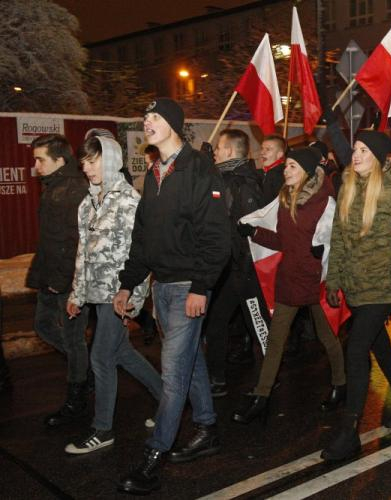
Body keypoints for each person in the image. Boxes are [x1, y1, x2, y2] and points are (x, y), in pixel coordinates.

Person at [114, 98, 230, 495]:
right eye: (144, 117)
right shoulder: (155, 175)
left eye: (155, 117)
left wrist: (201, 286)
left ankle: (155, 454)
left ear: (175, 125)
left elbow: (217, 237)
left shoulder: (199, 170)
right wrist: (129, 283)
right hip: (162, 288)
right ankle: (208, 427)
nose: (147, 122)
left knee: (173, 374)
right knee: (191, 361)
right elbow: (142, 237)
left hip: (187, 287)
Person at [322, 131, 391, 462]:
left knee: (357, 349)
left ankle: (349, 432)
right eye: (356, 150)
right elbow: (337, 238)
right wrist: (333, 279)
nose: (356, 155)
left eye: (364, 150)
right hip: (355, 288)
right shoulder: (347, 188)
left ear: (378, 157)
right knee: (379, 347)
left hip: (383, 287)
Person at [232, 148, 346, 423]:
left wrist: (327, 266)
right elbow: (283, 241)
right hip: (289, 279)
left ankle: (340, 386)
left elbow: (335, 244)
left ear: (307, 172)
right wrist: (255, 232)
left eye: (292, 166)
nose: (286, 171)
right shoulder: (285, 199)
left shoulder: (325, 204)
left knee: (327, 338)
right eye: (286, 166)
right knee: (275, 341)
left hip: (315, 282)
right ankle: (262, 396)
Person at [63, 135, 162, 454]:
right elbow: (83, 252)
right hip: (95, 292)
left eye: (92, 161)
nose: (87, 168)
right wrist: (77, 293)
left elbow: (143, 251)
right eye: (84, 163)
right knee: (121, 353)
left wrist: (134, 294)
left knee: (101, 357)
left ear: (109, 159)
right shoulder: (87, 202)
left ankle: (102, 429)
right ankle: (170, 399)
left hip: (118, 293)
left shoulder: (128, 200)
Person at [26, 133, 90, 428]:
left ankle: (77, 397)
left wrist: (61, 280)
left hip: (68, 279)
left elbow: (74, 241)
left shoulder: (71, 189)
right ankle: (86, 370)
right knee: (43, 325)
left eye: (41, 159)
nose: (36, 164)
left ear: (60, 160)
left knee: (74, 339)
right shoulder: (55, 186)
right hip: (51, 275)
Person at [202, 128, 265, 397]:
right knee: (216, 321)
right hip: (227, 269)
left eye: (218, 147)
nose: (215, 150)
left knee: (258, 327)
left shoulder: (245, 184)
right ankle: (216, 379)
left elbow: (251, 234)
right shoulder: (223, 177)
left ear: (229, 151)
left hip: (246, 271)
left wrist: (246, 268)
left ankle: (265, 383)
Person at [259, 134, 287, 206]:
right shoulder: (262, 172)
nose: (262, 152)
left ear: (279, 154)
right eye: (262, 148)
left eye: (268, 149)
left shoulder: (281, 176)